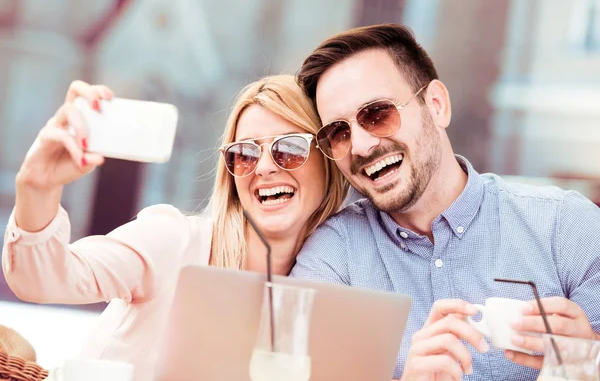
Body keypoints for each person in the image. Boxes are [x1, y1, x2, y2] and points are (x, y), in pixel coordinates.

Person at [291, 23, 600, 381]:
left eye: (377, 114)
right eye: (339, 133)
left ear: (436, 105)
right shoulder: (331, 260)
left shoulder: (565, 226)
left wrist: (592, 360)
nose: (360, 146)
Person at [2, 75, 347, 381]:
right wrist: (38, 185)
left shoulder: (329, 287)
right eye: (245, 154)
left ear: (327, 161)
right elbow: (40, 278)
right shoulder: (176, 242)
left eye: (289, 149)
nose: (266, 168)